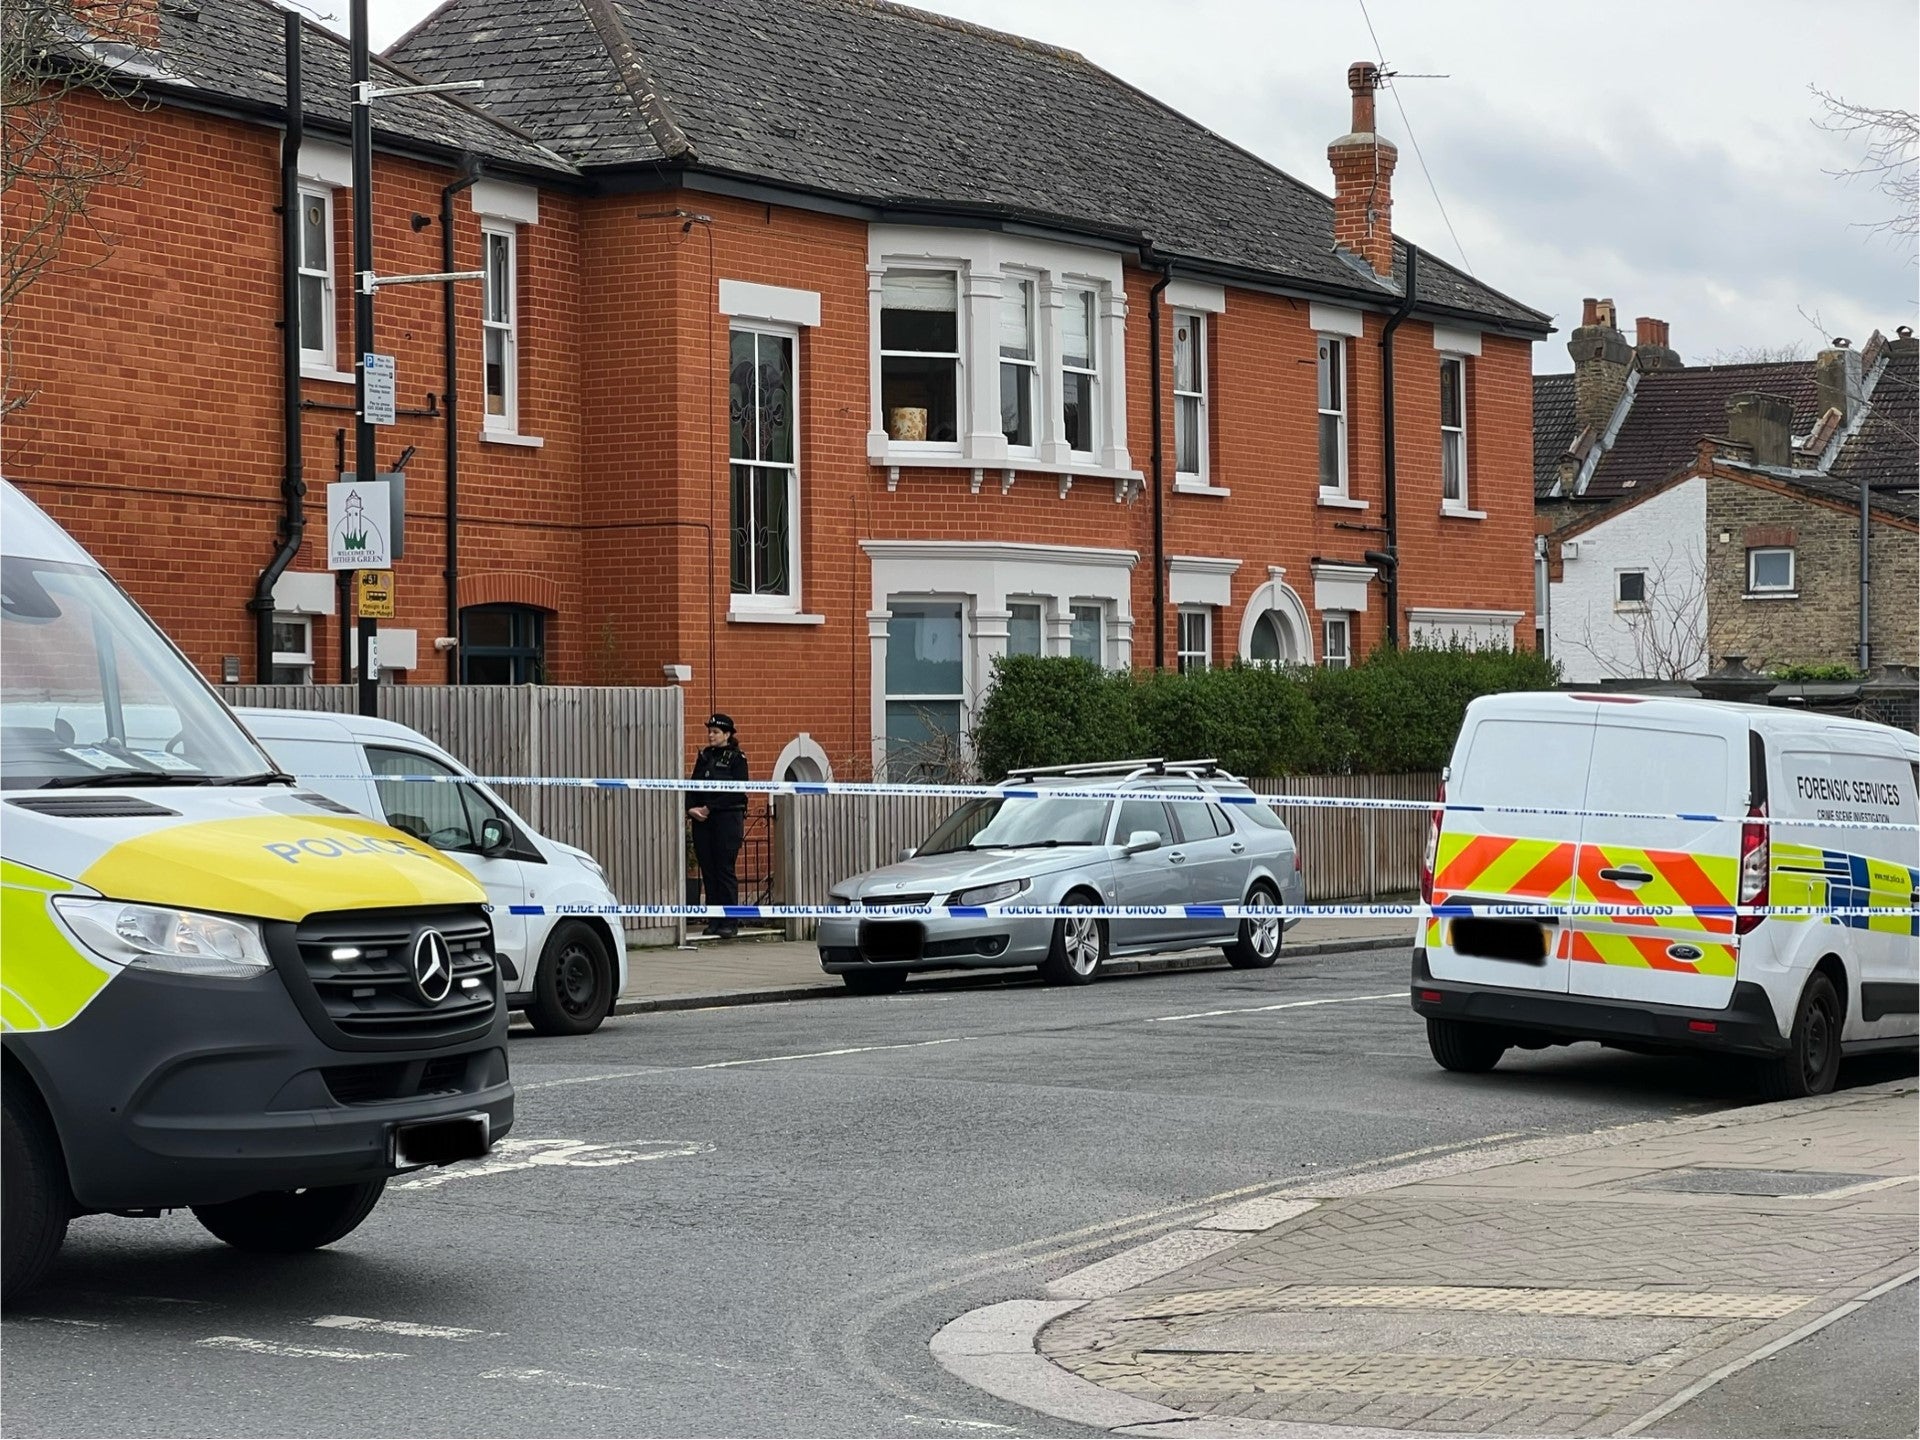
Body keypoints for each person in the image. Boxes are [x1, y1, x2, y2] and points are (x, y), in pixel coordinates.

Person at [687, 713, 750, 938]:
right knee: (709, 870)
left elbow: (737, 792)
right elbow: (692, 784)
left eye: (715, 732)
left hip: (726, 819)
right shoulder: (705, 756)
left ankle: (729, 921)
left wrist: (710, 808)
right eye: (709, 731)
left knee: (724, 870)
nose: (711, 735)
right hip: (703, 821)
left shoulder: (736, 758)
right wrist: (691, 808)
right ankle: (714, 919)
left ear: (727, 734)